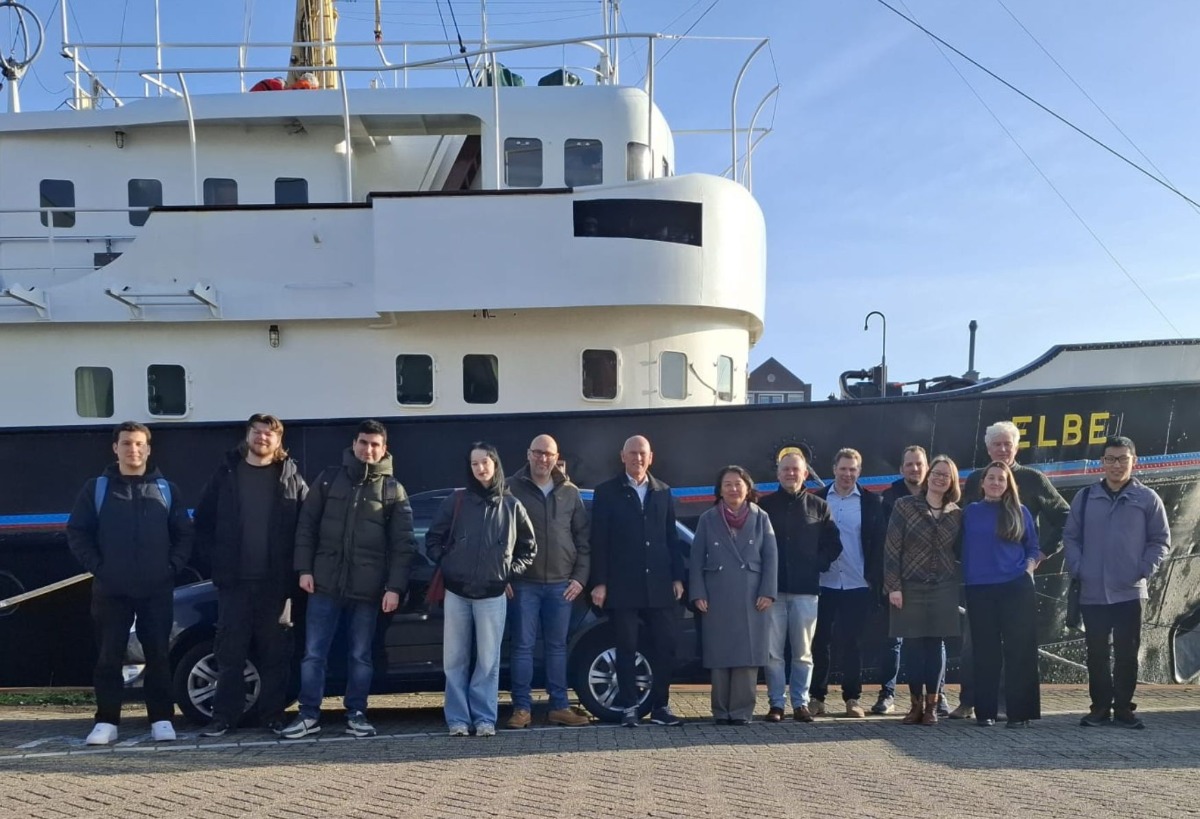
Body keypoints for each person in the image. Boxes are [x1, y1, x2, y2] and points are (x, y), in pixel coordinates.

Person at [282, 420, 416, 740]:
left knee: (360, 656)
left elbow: (404, 545)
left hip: (367, 591)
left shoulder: (392, 489)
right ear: (353, 444)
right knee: (314, 654)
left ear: (384, 449)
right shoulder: (328, 479)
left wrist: (394, 587)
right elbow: (306, 527)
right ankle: (308, 715)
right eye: (363, 443)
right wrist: (304, 569)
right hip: (324, 585)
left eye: (375, 445)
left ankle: (356, 713)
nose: (368, 450)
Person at [67, 421, 193, 746]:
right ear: (115, 448)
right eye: (126, 443)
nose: (132, 450)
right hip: (111, 590)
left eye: (139, 444)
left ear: (149, 449)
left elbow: (184, 534)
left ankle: (161, 719)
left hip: (156, 589)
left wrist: (171, 567)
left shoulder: (167, 490)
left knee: (158, 656)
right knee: (109, 658)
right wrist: (99, 567)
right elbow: (77, 532)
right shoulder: (96, 489)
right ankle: (106, 722)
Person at [193, 414, 308, 737]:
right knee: (230, 652)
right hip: (234, 583)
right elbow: (202, 522)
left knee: (276, 655)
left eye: (269, 434)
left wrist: (297, 572)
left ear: (279, 440)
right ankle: (223, 717)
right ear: (247, 436)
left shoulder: (291, 478)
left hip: (277, 585)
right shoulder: (226, 474)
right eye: (257, 432)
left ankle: (272, 716)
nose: (262, 438)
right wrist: (215, 563)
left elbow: (306, 528)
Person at [953, 420, 1070, 719]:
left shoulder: (1033, 480)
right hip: (980, 583)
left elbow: (1065, 516)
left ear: (1016, 447)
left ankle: (1015, 709)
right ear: (988, 448)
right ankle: (973, 702)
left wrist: (1041, 554)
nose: (1003, 449)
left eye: (1008, 444)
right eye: (997, 444)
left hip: (1015, 578)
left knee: (1018, 646)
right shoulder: (976, 480)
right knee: (977, 647)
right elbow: (961, 529)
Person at [428, 442, 536, 737]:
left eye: (484, 462)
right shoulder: (457, 500)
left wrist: (506, 574)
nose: (480, 468)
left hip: (492, 594)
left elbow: (529, 548)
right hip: (457, 592)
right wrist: (449, 564)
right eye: (474, 463)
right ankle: (458, 720)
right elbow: (433, 538)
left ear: (495, 463)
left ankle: (485, 718)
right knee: (455, 660)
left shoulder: (512, 506)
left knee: (488, 661)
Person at [1066, 435, 1170, 730]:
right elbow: (1071, 536)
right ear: (1102, 462)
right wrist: (1078, 567)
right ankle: (1099, 707)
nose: (1116, 465)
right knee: (1096, 653)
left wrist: (1143, 569)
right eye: (1110, 459)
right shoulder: (1085, 497)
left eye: (1122, 458)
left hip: (1129, 590)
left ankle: (1123, 707)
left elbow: (1160, 540)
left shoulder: (1147, 498)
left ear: (1133, 461)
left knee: (1127, 652)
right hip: (1092, 590)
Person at [590, 435, 686, 728]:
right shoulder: (606, 493)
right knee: (626, 646)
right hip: (622, 583)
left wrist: (678, 576)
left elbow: (671, 538)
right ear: (622, 456)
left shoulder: (663, 492)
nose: (637, 458)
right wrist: (600, 582)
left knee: (665, 645)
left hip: (659, 583)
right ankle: (629, 706)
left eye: (642, 454)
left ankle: (661, 706)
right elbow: (599, 541)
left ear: (651, 457)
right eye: (632, 453)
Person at [505, 434, 591, 729]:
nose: (543, 459)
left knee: (557, 648)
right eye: (538, 453)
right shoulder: (510, 488)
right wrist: (506, 576)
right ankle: (522, 709)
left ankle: (559, 707)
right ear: (528, 454)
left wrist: (579, 578)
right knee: (523, 647)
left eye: (548, 454)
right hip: (523, 583)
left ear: (557, 457)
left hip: (561, 586)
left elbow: (583, 540)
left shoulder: (570, 492)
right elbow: (500, 536)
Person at [757, 448, 842, 722]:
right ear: (778, 473)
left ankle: (800, 703)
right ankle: (776, 704)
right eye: (786, 469)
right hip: (774, 591)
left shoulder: (820, 507)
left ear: (805, 473)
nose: (791, 473)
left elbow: (834, 544)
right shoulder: (765, 507)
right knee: (773, 653)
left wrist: (816, 564)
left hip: (806, 590)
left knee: (803, 652)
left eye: (796, 469)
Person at [690, 466, 778, 724]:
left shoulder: (761, 517)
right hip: (717, 594)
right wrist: (698, 593)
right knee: (720, 655)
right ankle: (720, 711)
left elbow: (771, 557)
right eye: (727, 484)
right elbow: (695, 559)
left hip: (752, 595)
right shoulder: (708, 518)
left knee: (747, 654)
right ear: (720, 490)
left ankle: (741, 712)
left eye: (737, 484)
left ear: (747, 487)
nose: (732, 489)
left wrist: (767, 592)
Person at [960, 461, 1041, 728]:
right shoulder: (970, 512)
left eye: (1001, 479)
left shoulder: (1020, 511)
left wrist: (1028, 568)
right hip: (980, 588)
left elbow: (1033, 545)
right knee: (985, 651)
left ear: (1008, 485)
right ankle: (986, 711)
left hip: (1015, 587)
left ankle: (1020, 713)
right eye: (991, 478)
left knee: (1020, 650)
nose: (995, 483)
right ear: (982, 483)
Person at [884, 454, 962, 726]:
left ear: (952, 481)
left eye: (946, 475)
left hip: (943, 587)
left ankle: (933, 706)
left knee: (936, 645)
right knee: (914, 646)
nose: (940, 478)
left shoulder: (956, 513)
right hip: (910, 586)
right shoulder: (904, 506)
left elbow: (962, 552)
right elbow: (892, 549)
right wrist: (893, 586)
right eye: (937, 473)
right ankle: (915, 704)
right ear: (929, 476)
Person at [811, 448, 886, 718]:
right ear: (834, 469)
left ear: (859, 471)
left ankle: (852, 698)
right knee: (820, 641)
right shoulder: (817, 500)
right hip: (825, 581)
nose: (847, 474)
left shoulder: (871, 503)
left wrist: (874, 578)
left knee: (853, 642)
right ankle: (817, 697)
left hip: (857, 583)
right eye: (843, 469)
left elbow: (878, 545)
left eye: (852, 469)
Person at [875, 445, 945, 717]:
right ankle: (888, 692)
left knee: (933, 640)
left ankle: (937, 697)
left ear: (926, 466)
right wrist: (890, 582)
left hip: (934, 582)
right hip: (901, 581)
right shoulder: (890, 499)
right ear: (901, 468)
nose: (914, 469)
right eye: (909, 464)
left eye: (919, 464)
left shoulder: (941, 496)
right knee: (896, 640)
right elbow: (886, 544)